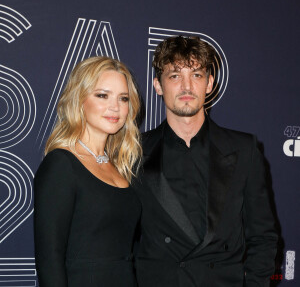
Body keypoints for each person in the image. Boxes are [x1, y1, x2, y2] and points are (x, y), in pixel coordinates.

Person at [133, 36, 278, 287]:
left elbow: (263, 237)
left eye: (197, 75)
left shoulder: (244, 150)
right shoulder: (133, 151)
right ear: (158, 85)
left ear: (209, 83)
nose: (187, 86)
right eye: (175, 76)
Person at [34, 56, 142, 287]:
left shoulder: (120, 167)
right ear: (80, 99)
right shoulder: (61, 165)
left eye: (123, 99)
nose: (115, 107)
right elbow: (49, 260)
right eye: (102, 95)